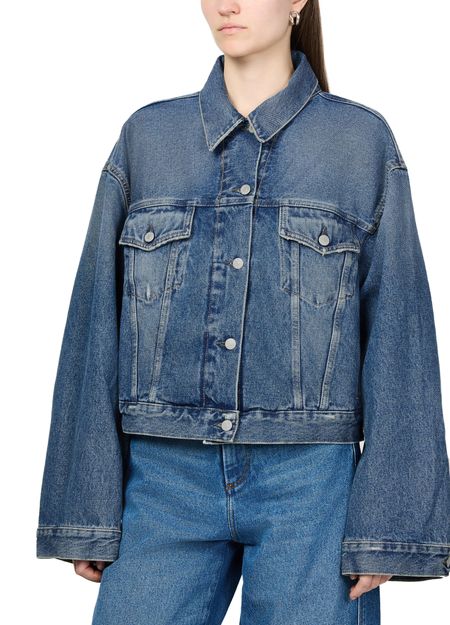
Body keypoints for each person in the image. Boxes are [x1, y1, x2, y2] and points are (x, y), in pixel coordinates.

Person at [36, 1, 450, 624]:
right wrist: (85, 506)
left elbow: (400, 332)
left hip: (311, 488)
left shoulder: (358, 142)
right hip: (163, 480)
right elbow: (95, 321)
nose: (226, 3)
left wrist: (389, 523)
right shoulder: (149, 138)